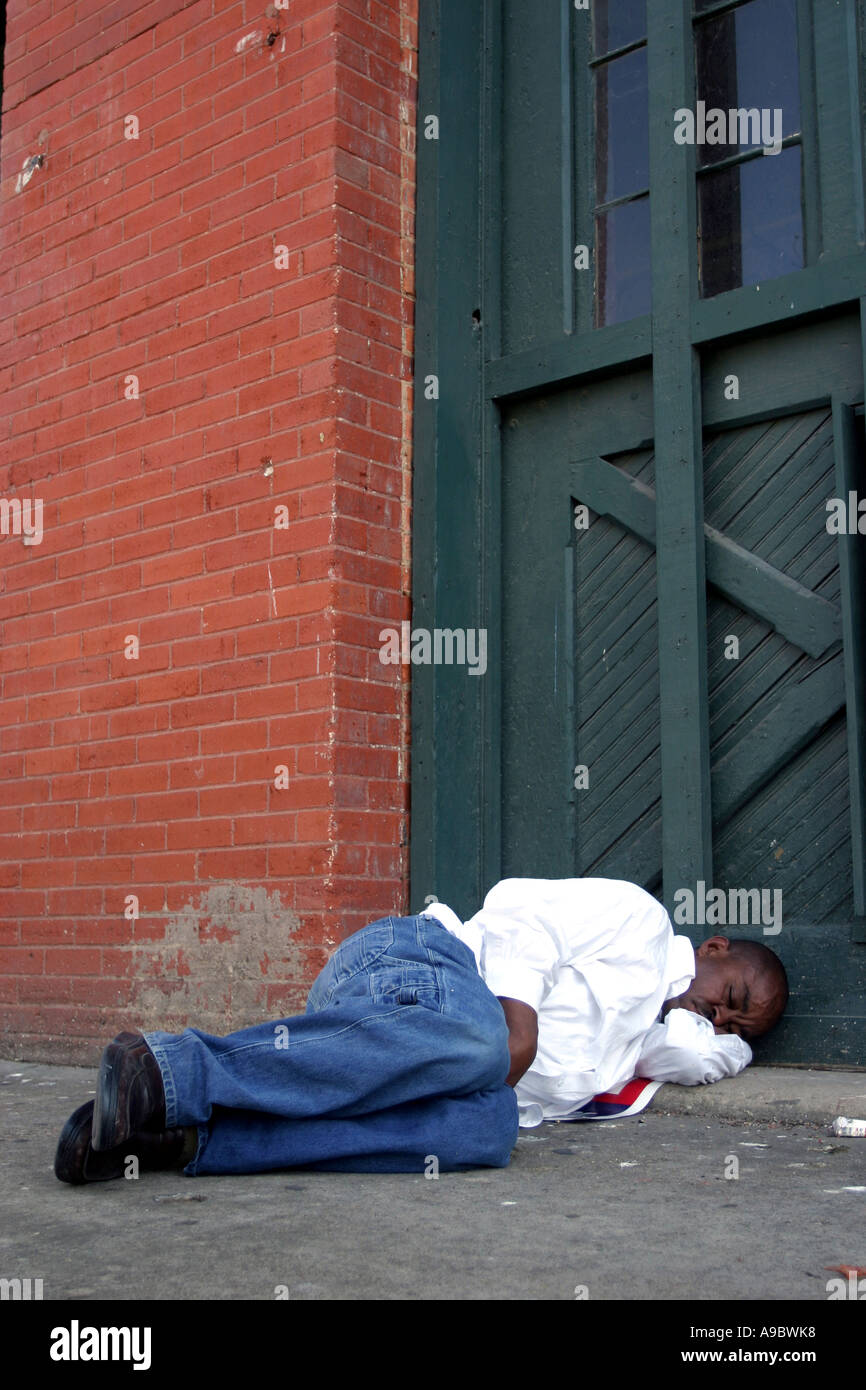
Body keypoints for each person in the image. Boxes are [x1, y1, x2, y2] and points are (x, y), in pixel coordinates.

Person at [53, 877, 788, 1184]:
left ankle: (176, 1138)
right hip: (412, 963)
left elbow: (702, 1054)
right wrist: (518, 1031)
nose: (718, 1016)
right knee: (484, 1043)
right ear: (714, 948)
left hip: (392, 1040)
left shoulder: (638, 1054)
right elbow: (520, 912)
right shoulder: (643, 922)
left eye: (734, 1023)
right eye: (730, 996)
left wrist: (722, 1041)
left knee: (489, 1131)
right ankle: (170, 1069)